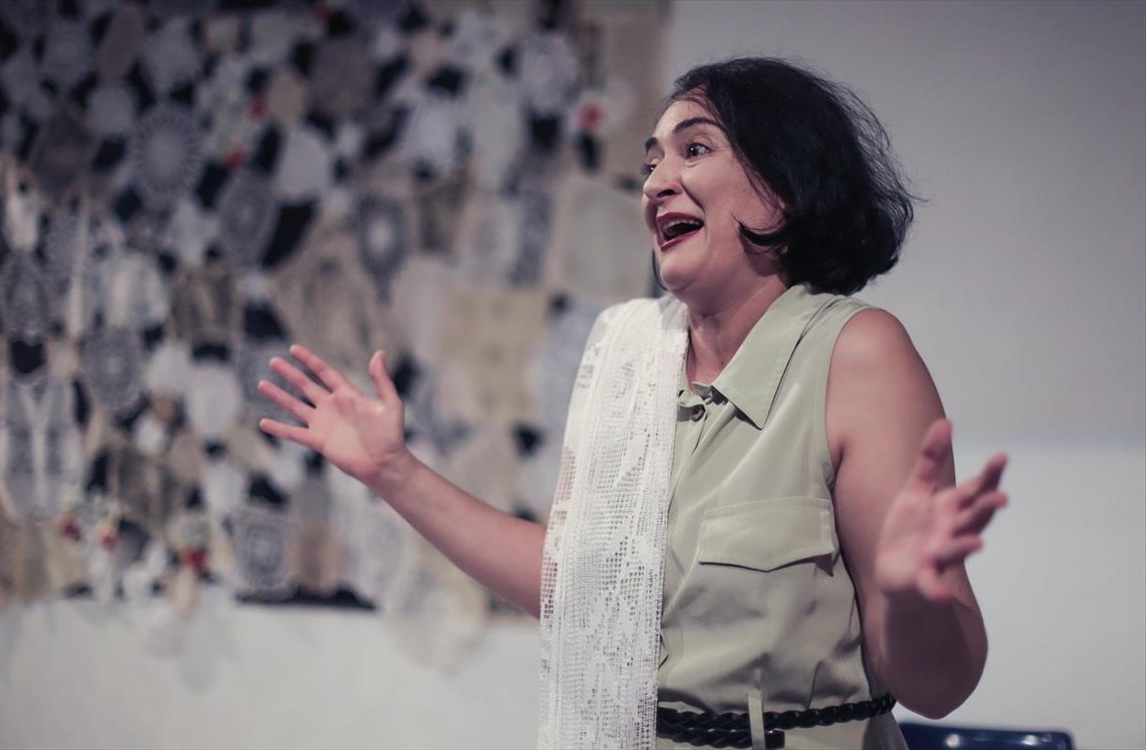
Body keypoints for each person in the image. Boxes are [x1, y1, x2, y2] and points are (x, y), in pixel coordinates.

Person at [258, 57, 1008, 750]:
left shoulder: (857, 353)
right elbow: (573, 588)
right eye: (650, 163)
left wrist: (909, 600)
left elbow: (940, 688)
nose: (654, 185)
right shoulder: (625, 350)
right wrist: (393, 471)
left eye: (694, 149)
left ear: (782, 188)